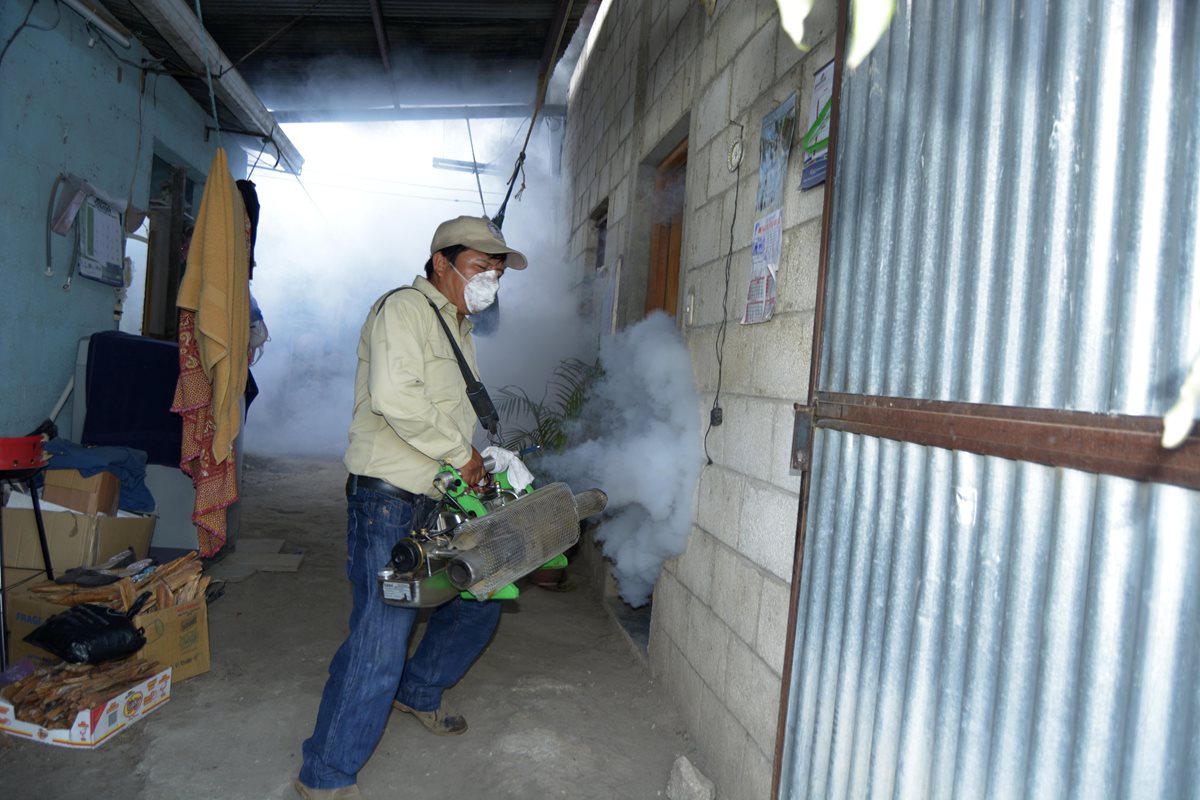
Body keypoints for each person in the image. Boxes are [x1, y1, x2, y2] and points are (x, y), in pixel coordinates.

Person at [295, 216, 529, 800]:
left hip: (438, 495)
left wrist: (486, 458)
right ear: (442, 263)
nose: (490, 282)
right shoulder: (403, 309)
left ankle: (419, 689)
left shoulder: (457, 324)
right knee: (381, 636)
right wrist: (462, 452)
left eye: (497, 273)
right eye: (481, 269)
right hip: (389, 503)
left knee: (482, 595)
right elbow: (395, 398)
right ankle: (324, 775)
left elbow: (449, 409)